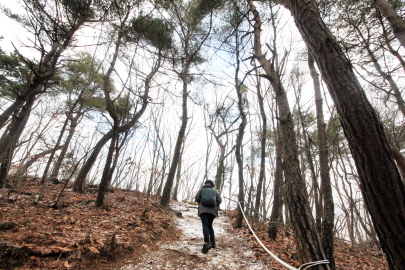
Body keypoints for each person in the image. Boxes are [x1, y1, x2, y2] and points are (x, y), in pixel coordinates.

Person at [195, 179, 222, 253]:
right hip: (212, 211)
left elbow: (196, 198)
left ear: (205, 184)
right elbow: (220, 200)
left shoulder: (201, 190)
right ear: (212, 185)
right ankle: (213, 242)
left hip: (203, 211)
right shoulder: (215, 192)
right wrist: (215, 205)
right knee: (210, 226)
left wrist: (201, 203)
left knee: (205, 226)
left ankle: (207, 243)